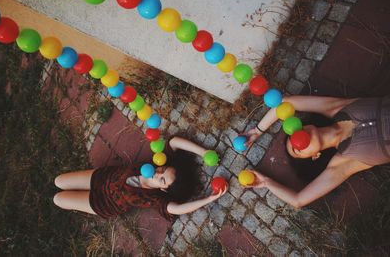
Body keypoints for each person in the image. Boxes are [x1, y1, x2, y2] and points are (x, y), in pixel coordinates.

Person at [243, 95, 390, 208]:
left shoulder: (336, 108)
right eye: (296, 149)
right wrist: (266, 182)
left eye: (295, 133)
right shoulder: (343, 162)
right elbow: (298, 200)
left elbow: (283, 103)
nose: (297, 139)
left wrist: (257, 131)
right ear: (315, 156)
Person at [53, 136, 228, 219]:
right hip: (102, 178)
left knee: (58, 199)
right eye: (162, 169)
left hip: (104, 203)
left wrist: (209, 199)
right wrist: (204, 152)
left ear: (163, 188)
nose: (157, 172)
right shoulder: (155, 162)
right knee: (58, 181)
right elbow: (174, 142)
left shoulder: (154, 198)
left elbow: (179, 209)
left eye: (162, 179)